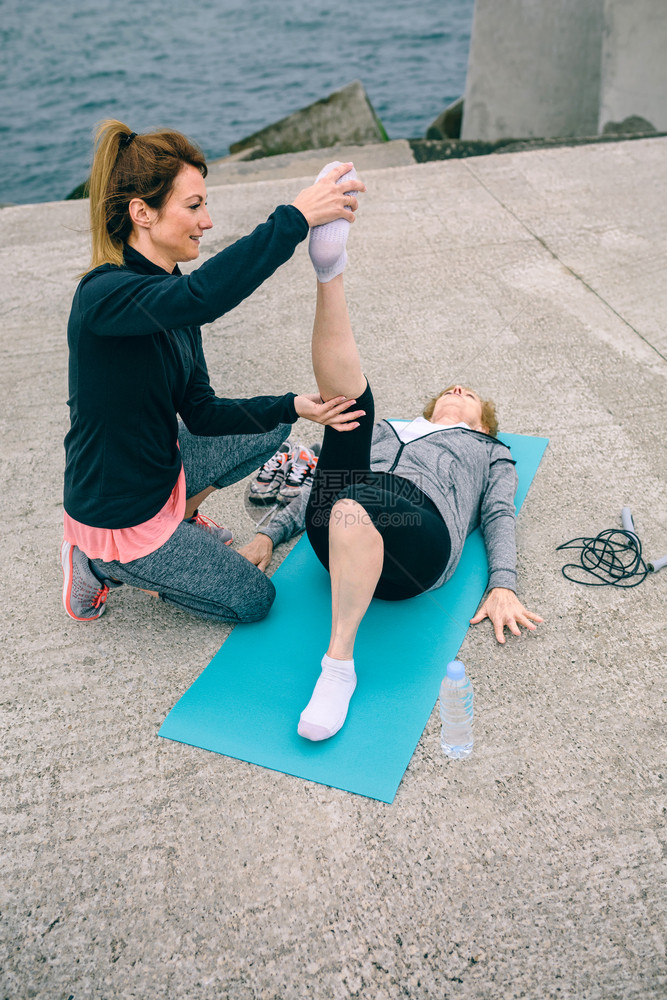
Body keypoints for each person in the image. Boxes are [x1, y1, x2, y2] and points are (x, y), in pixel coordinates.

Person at [239, 162, 544, 741]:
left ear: (484, 420)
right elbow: (320, 481)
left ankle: (338, 669)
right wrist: (267, 534)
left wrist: (503, 582)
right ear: (430, 406)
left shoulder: (489, 451)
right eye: (449, 389)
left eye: (469, 392)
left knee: (358, 487)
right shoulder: (391, 429)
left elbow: (500, 514)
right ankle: (330, 271)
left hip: (419, 543)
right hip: (340, 532)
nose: (457, 390)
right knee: (349, 419)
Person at [61, 122, 365, 624]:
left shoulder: (171, 290)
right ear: (143, 213)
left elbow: (200, 412)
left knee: (277, 424)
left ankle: (178, 521)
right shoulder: (103, 297)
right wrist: (294, 218)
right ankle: (100, 563)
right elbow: (207, 296)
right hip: (120, 512)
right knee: (253, 601)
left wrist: (293, 406)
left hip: (160, 473)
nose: (207, 221)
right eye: (194, 205)